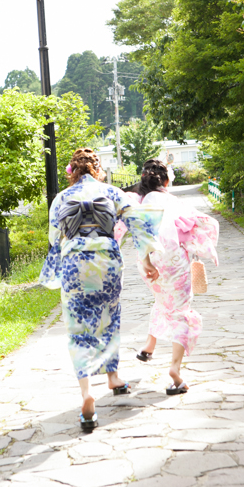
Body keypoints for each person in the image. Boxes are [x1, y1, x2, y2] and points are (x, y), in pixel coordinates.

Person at [39, 148, 162, 430]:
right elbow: (138, 225)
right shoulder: (112, 192)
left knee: (77, 328)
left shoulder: (61, 198)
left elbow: (54, 238)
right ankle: (113, 377)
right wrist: (145, 261)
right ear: (98, 169)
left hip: (74, 264)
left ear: (72, 171)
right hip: (107, 262)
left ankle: (87, 393)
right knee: (109, 317)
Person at [115, 159, 219, 394]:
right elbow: (201, 225)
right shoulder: (173, 201)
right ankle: (175, 371)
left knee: (163, 301)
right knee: (181, 312)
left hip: (148, 263)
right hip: (174, 263)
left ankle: (148, 348)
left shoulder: (138, 200)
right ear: (166, 181)